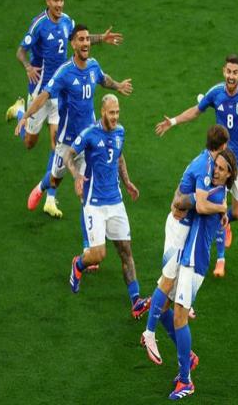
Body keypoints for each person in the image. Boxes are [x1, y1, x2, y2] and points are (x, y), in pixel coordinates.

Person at [155, 54, 238, 277]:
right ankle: (219, 259)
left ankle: (224, 223)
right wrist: (173, 121)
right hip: (220, 160)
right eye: (228, 71)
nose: (231, 76)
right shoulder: (216, 92)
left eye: (235, 72)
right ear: (223, 71)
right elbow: (196, 111)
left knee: (236, 213)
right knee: (217, 205)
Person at [6, 0, 123, 217]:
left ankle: (50, 197)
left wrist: (102, 38)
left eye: (62, 0)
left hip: (63, 93)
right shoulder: (39, 24)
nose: (59, 4)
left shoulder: (68, 21)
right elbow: (20, 51)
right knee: (29, 142)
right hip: (41, 90)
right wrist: (28, 66)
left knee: (56, 142)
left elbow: (81, 39)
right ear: (48, 1)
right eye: (55, 0)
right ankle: (19, 111)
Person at [147, 148, 238, 400]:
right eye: (216, 166)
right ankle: (187, 360)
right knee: (165, 308)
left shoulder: (216, 195)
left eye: (221, 169)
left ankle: (186, 380)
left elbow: (186, 203)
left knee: (179, 317)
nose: (215, 171)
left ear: (229, 175)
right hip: (188, 258)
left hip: (195, 263)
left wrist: (182, 198)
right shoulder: (217, 195)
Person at [140, 125, 230, 369]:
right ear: (222, 146)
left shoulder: (209, 164)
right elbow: (197, 203)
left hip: (185, 229)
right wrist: (220, 208)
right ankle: (149, 333)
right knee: (167, 281)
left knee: (171, 296)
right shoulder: (205, 166)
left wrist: (182, 201)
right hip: (178, 229)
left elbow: (184, 193)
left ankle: (185, 354)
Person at [65, 93, 150, 319]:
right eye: (111, 113)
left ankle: (136, 301)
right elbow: (68, 154)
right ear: (102, 112)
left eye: (117, 112)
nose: (115, 117)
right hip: (94, 203)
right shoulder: (90, 134)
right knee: (98, 255)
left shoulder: (120, 131)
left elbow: (119, 157)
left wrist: (127, 182)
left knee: (126, 251)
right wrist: (76, 176)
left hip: (116, 202)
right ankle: (78, 264)